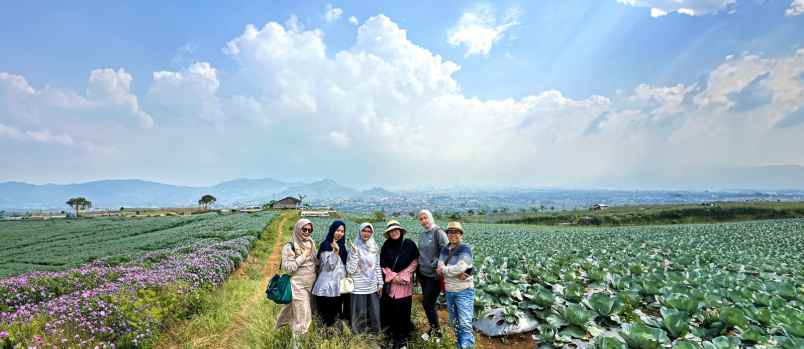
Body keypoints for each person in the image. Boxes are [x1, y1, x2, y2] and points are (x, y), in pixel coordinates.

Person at [380, 220, 420, 349]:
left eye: (396, 230)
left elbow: (415, 261)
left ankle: (401, 339)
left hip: (404, 283)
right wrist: (392, 277)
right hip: (390, 284)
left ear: (401, 231)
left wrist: (402, 276)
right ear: (388, 233)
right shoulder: (386, 246)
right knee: (389, 310)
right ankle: (390, 335)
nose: (394, 232)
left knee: (403, 310)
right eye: (391, 231)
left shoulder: (409, 244)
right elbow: (383, 264)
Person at [276, 219, 318, 337]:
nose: (307, 232)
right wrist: (303, 256)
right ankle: (297, 343)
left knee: (304, 313)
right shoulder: (289, 246)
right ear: (298, 229)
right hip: (298, 285)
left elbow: (315, 261)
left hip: (311, 285)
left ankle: (298, 338)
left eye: (310, 230)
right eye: (304, 229)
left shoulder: (311, 242)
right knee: (302, 315)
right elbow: (289, 268)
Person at [437, 221, 475, 349]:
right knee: (455, 322)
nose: (453, 234)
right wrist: (452, 270)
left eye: (456, 232)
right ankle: (460, 345)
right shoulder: (444, 249)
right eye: (450, 232)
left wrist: (446, 270)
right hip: (449, 291)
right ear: (447, 234)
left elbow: (461, 267)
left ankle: (466, 346)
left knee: (464, 323)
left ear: (461, 234)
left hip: (464, 291)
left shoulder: (465, 248)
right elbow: (439, 266)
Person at [416, 209, 448, 339]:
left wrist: (436, 263)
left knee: (427, 303)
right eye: (421, 219)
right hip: (423, 274)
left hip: (434, 275)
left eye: (425, 218)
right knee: (428, 303)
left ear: (431, 217)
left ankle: (437, 332)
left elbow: (446, 250)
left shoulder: (438, 232)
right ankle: (433, 329)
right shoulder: (423, 234)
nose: (424, 221)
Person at [347, 222, 383, 334]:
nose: (366, 233)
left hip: (372, 285)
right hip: (358, 287)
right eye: (364, 230)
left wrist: (380, 284)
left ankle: (375, 335)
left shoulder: (374, 247)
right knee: (359, 313)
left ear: (372, 233)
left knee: (374, 313)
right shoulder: (354, 247)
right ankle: (359, 338)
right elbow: (350, 270)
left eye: (369, 231)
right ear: (360, 231)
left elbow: (377, 267)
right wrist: (354, 254)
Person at [313, 220, 349, 327]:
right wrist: (335, 252)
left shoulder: (342, 246)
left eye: (342, 231)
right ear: (332, 230)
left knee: (335, 316)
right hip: (326, 288)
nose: (340, 233)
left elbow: (344, 267)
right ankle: (323, 340)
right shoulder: (326, 245)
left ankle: (333, 339)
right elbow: (329, 267)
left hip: (338, 288)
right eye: (337, 230)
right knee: (326, 317)